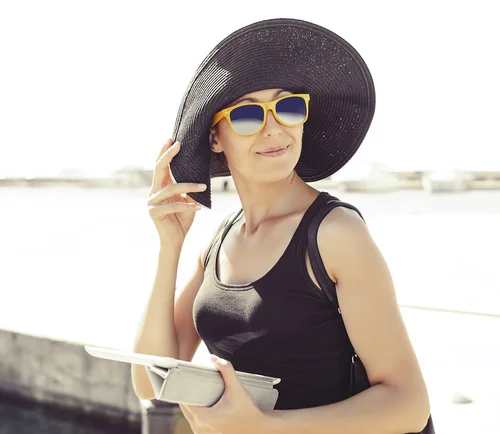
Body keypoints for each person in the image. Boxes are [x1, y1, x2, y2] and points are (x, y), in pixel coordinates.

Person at [131, 18, 432, 434]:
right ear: (215, 137)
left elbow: (408, 405)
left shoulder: (334, 234)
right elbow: (150, 381)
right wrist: (170, 247)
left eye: (288, 107)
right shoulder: (222, 240)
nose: (274, 128)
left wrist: (262, 426)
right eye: (249, 114)